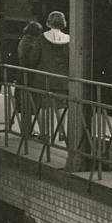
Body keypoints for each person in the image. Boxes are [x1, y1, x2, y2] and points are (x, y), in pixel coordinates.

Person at [37, 11, 71, 142]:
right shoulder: (68, 39)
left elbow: (35, 56)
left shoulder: (41, 38)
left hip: (44, 77)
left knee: (44, 106)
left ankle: (46, 134)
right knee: (61, 106)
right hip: (61, 78)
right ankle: (62, 132)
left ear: (49, 22)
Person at [16, 21, 44, 138]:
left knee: (25, 104)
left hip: (22, 75)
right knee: (28, 103)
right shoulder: (32, 43)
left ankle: (26, 130)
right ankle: (27, 131)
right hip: (29, 76)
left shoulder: (24, 40)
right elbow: (32, 60)